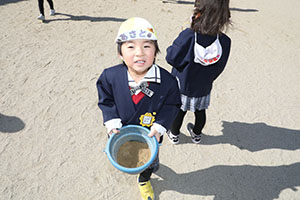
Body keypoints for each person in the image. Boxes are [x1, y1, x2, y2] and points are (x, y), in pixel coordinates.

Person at [96, 17, 181, 200]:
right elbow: (106, 100)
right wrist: (111, 123)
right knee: (123, 152)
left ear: (156, 50)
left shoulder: (167, 82)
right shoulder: (110, 77)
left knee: (149, 163)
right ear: (120, 52)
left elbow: (172, 104)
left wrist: (159, 126)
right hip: (120, 131)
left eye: (147, 46)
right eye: (130, 46)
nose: (139, 53)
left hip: (150, 135)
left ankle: (144, 179)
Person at [165, 0, 231, 144]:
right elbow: (220, 67)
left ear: (198, 13)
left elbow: (171, 58)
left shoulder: (188, 35)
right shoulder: (225, 41)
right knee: (200, 112)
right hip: (203, 86)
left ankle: (174, 134)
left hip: (182, 85)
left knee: (179, 111)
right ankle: (196, 134)